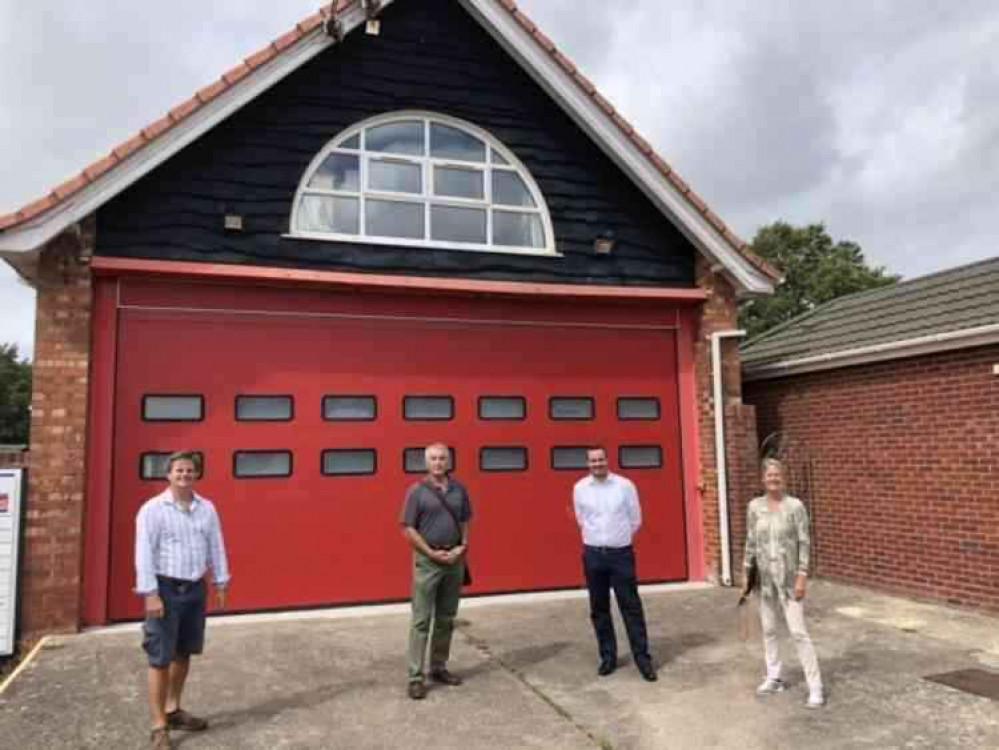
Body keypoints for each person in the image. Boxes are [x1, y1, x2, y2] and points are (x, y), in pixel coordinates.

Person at [135, 451, 231, 749]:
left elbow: (216, 543)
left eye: (190, 471)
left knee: (183, 653)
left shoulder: (207, 508)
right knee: (160, 658)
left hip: (194, 589)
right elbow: (143, 553)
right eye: (179, 470)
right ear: (168, 474)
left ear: (196, 475)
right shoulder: (152, 509)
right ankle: (159, 726)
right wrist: (150, 593)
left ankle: (173, 709)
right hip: (164, 589)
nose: (184, 475)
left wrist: (221, 580)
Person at [742, 457, 825, 708]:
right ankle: (774, 676)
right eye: (769, 475)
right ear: (763, 479)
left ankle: (815, 686)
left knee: (798, 632)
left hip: (789, 580)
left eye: (777, 474)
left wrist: (802, 575)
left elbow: (804, 543)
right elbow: (751, 542)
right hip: (765, 580)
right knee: (768, 629)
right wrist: (746, 573)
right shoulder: (754, 507)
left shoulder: (795, 506)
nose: (773, 479)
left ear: (783, 477)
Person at [573, 446, 657, 682]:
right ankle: (608, 657)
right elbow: (582, 519)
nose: (597, 464)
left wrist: (616, 539)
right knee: (599, 609)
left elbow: (635, 519)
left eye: (600, 459)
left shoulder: (624, 486)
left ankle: (643, 660)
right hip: (593, 555)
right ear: (587, 463)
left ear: (607, 460)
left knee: (631, 607)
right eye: (592, 461)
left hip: (621, 554)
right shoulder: (580, 488)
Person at [399, 442, 471, 700]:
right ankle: (415, 677)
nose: (438, 463)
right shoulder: (416, 492)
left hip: (453, 561)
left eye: (442, 458)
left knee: (446, 618)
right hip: (428, 562)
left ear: (449, 461)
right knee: (421, 620)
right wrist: (430, 552)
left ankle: (438, 667)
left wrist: (462, 546)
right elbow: (408, 528)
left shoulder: (459, 489)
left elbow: (464, 520)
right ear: (426, 463)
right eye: (433, 459)